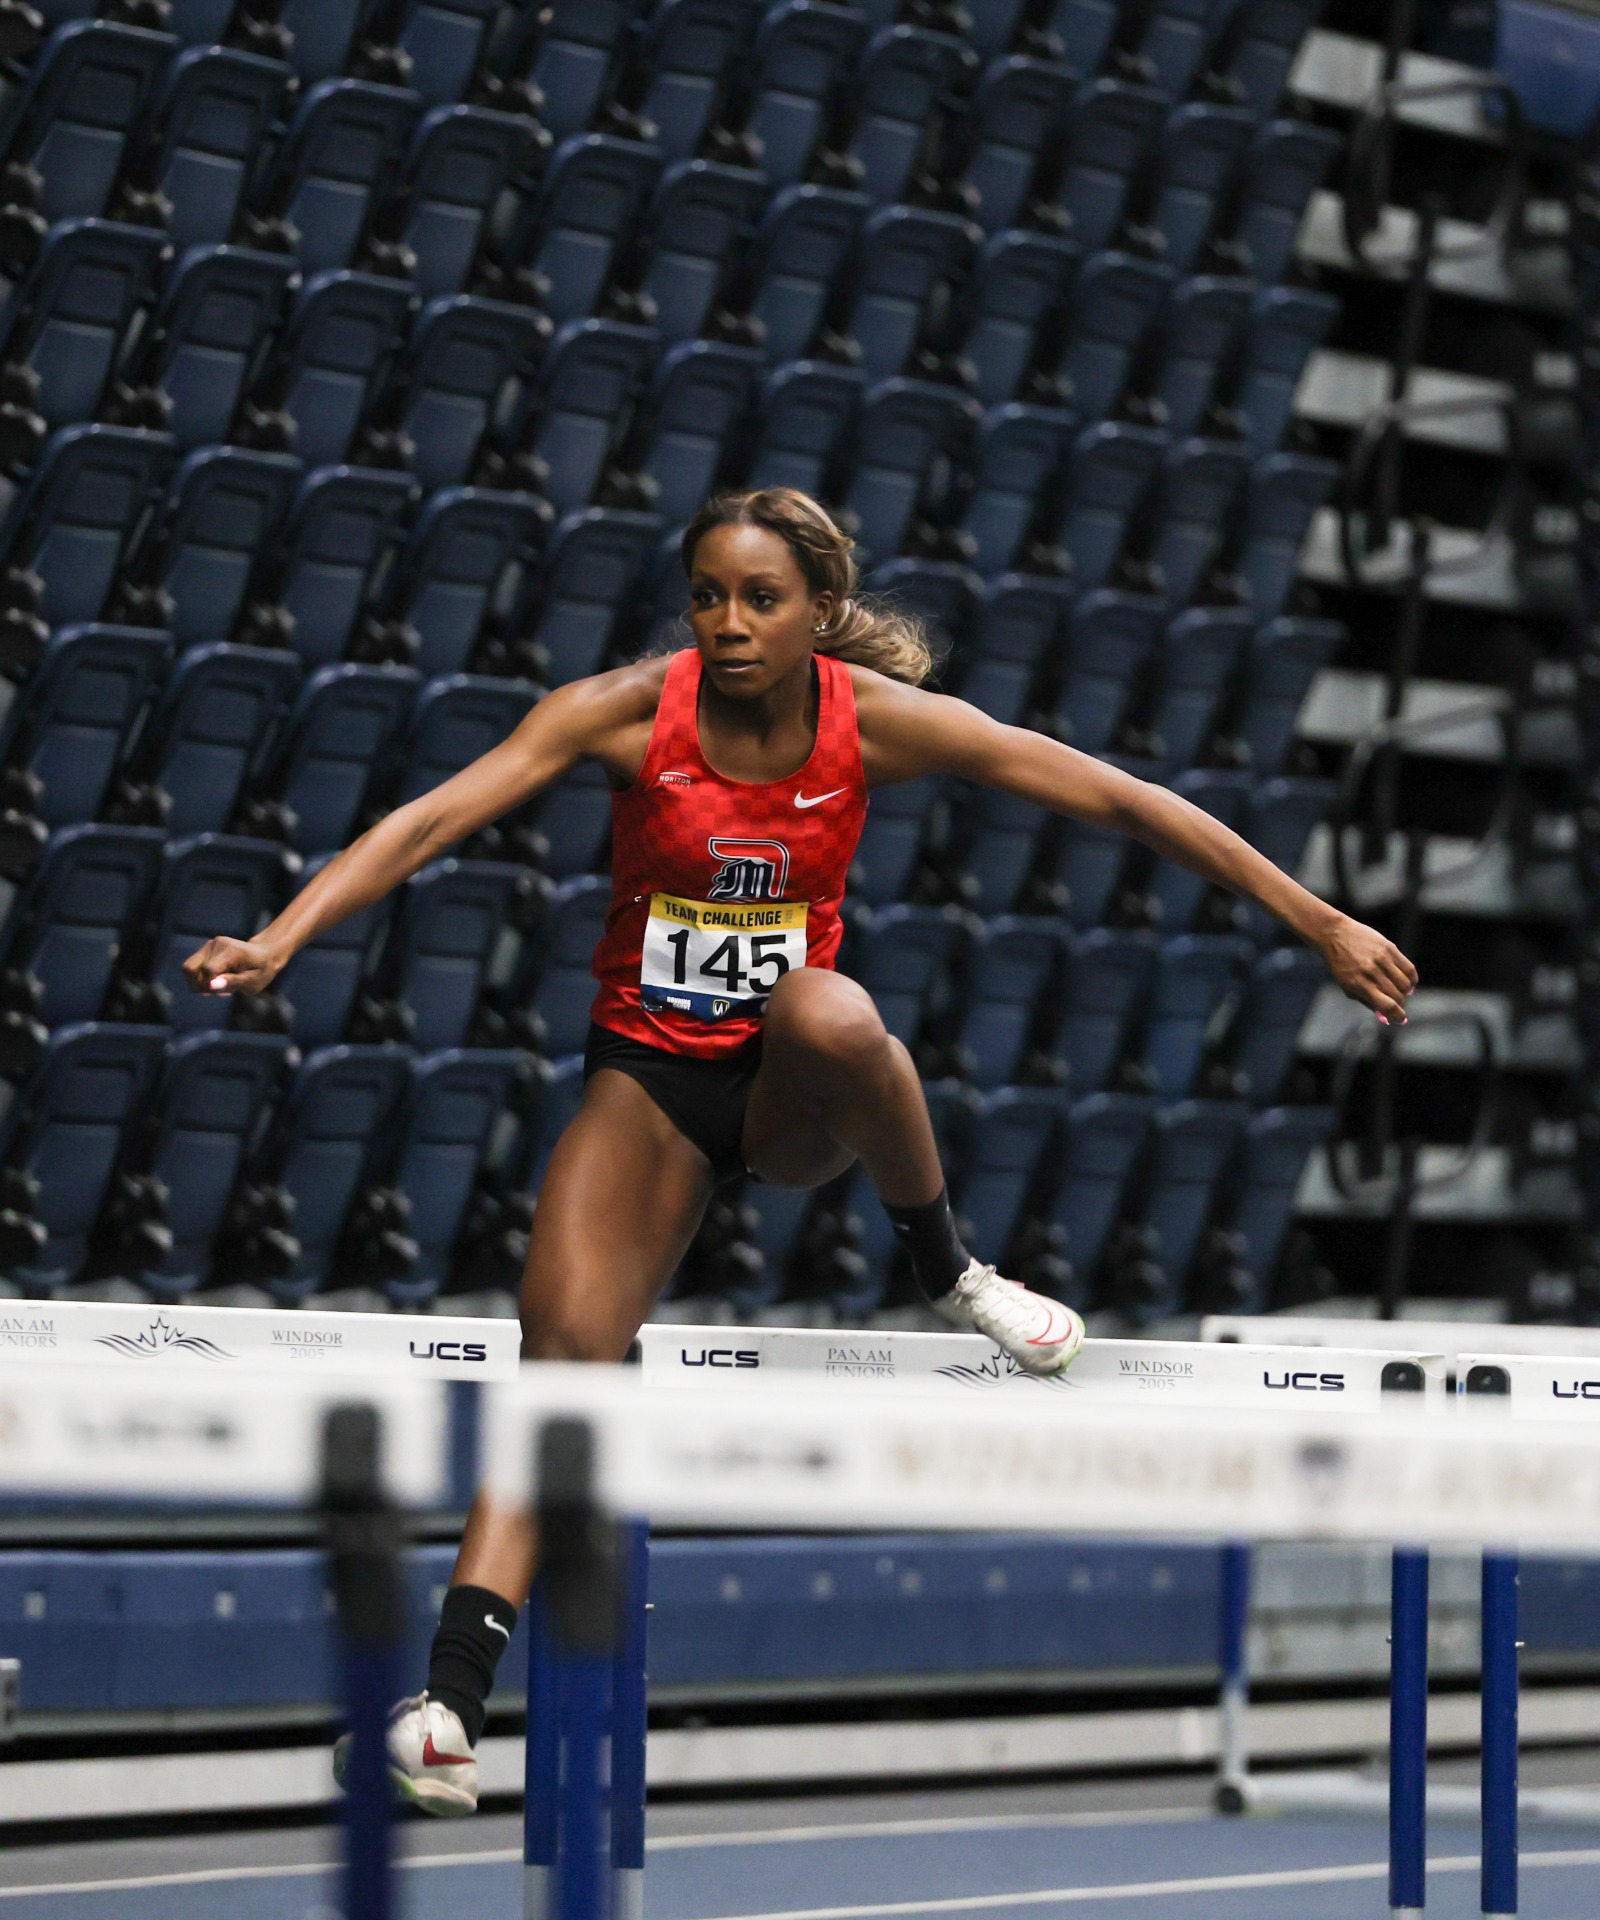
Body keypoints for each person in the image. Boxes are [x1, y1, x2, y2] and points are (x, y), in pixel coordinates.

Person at [185, 488, 1416, 1813]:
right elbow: (428, 822)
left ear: (821, 613)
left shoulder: (871, 723)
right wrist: (285, 936)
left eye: (760, 600)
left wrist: (1319, 922)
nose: (727, 624)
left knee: (830, 1005)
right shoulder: (622, 711)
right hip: (650, 1085)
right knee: (559, 1367)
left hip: (791, 1094)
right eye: (707, 595)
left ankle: (947, 1269)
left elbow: (1121, 801)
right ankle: (448, 1712)